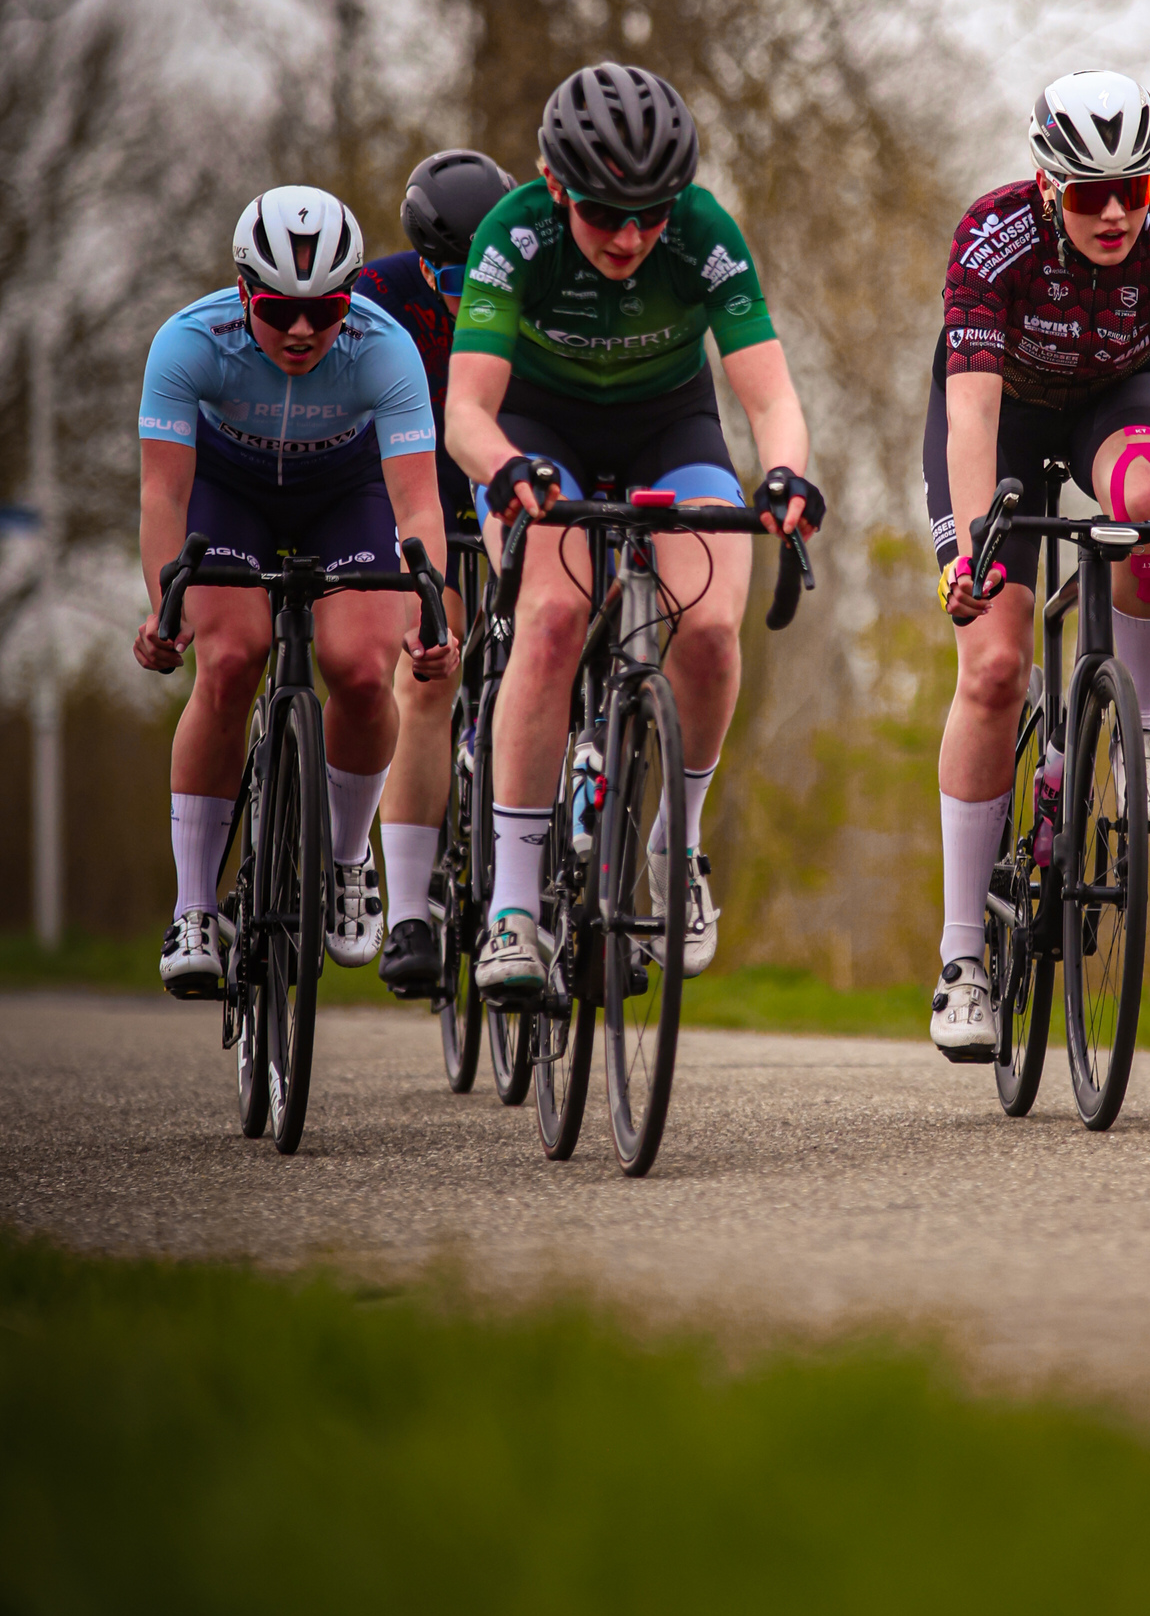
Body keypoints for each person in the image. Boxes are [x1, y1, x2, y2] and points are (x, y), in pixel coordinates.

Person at [444, 63, 819, 1003]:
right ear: (559, 186)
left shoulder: (703, 234)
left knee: (710, 625)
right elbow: (465, 412)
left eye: (652, 212)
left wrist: (785, 475)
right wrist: (503, 470)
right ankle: (514, 914)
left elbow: (770, 393)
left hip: (669, 426)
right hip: (537, 433)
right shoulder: (515, 233)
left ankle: (675, 850)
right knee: (555, 616)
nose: (631, 236)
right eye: (608, 213)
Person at [924, 67, 1150, 1059]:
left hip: (1117, 406)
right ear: (1047, 186)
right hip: (1001, 420)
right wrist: (972, 549)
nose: (1115, 211)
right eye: (1089, 194)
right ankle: (961, 962)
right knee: (992, 668)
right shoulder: (991, 236)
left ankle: (1140, 733)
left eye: (1135, 189)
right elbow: (968, 415)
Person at [134, 185, 461, 996]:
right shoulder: (186, 342)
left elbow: (419, 500)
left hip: (345, 495)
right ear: (245, 290)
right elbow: (163, 498)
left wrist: (432, 602)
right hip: (230, 493)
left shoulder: (384, 350)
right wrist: (162, 608)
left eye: (328, 308)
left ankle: (348, 861)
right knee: (232, 658)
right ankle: (195, 907)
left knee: (357, 665)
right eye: (280, 310)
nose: (305, 331)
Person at [351, 147, 515, 1000]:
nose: (461, 290)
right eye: (446, 275)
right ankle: (409, 910)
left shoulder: (531, 273)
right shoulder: (379, 294)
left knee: (546, 647)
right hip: (415, 486)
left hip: (499, 472)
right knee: (427, 674)